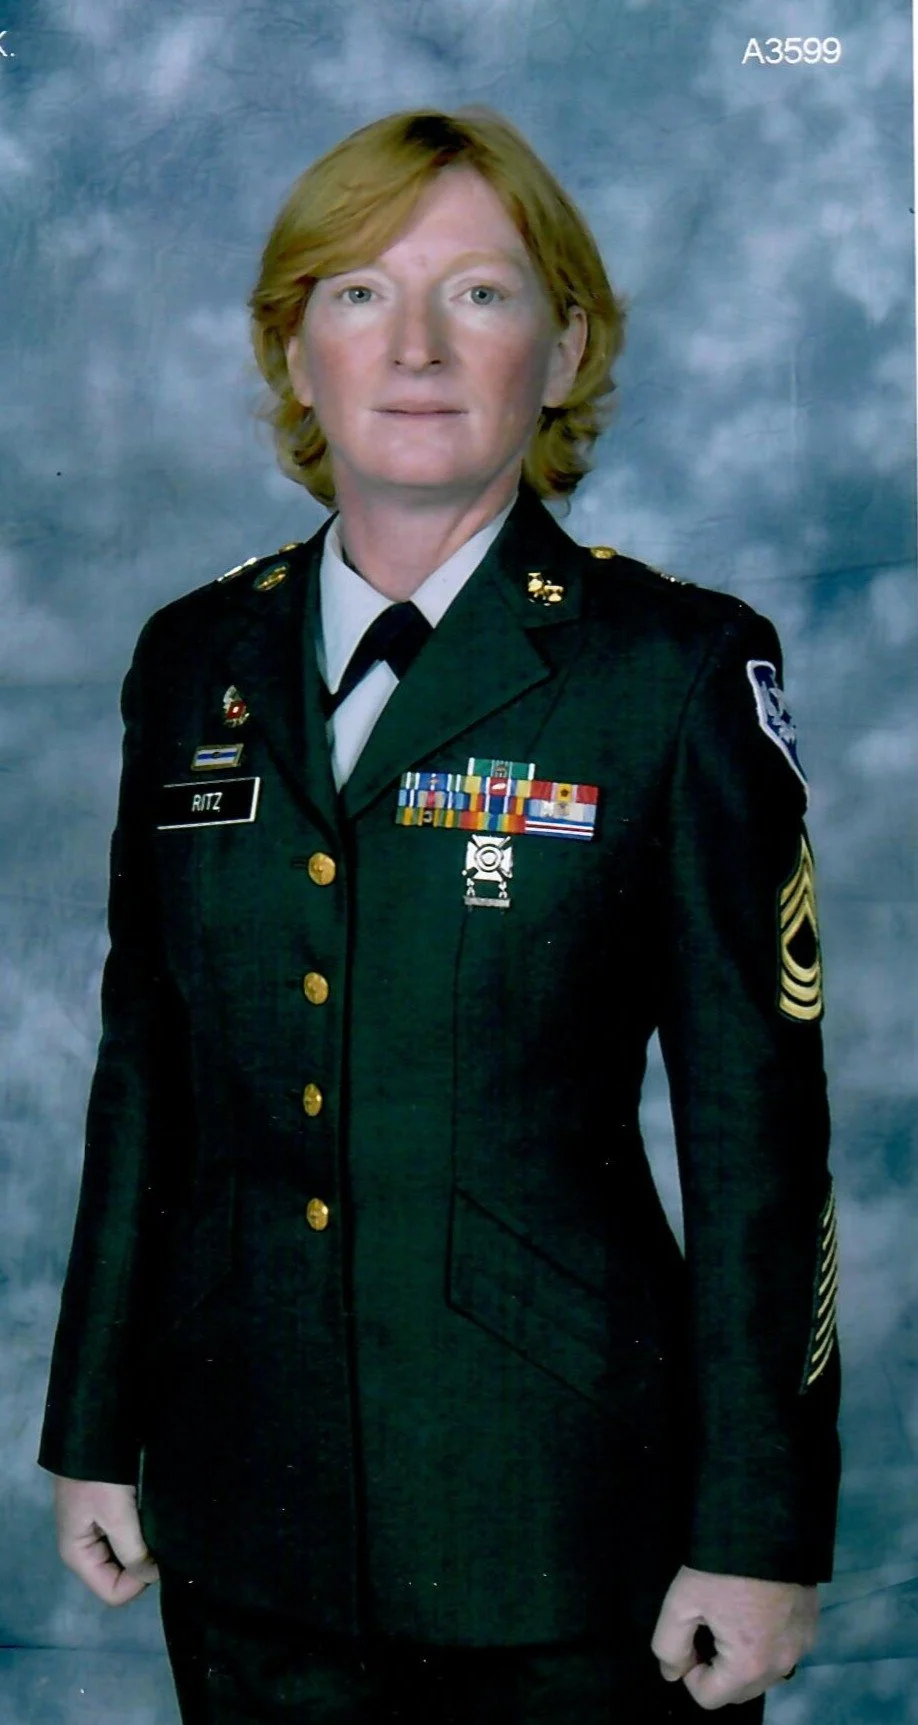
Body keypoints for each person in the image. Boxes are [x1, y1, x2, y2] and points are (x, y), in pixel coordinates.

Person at [37, 106, 841, 1723]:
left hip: (566, 1521)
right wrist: (93, 1433)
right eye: (352, 293)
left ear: (563, 347)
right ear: (293, 349)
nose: (410, 346)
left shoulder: (664, 672)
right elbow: (148, 1078)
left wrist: (759, 1535)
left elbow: (759, 1139)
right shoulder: (191, 661)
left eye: (475, 293)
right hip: (245, 1504)